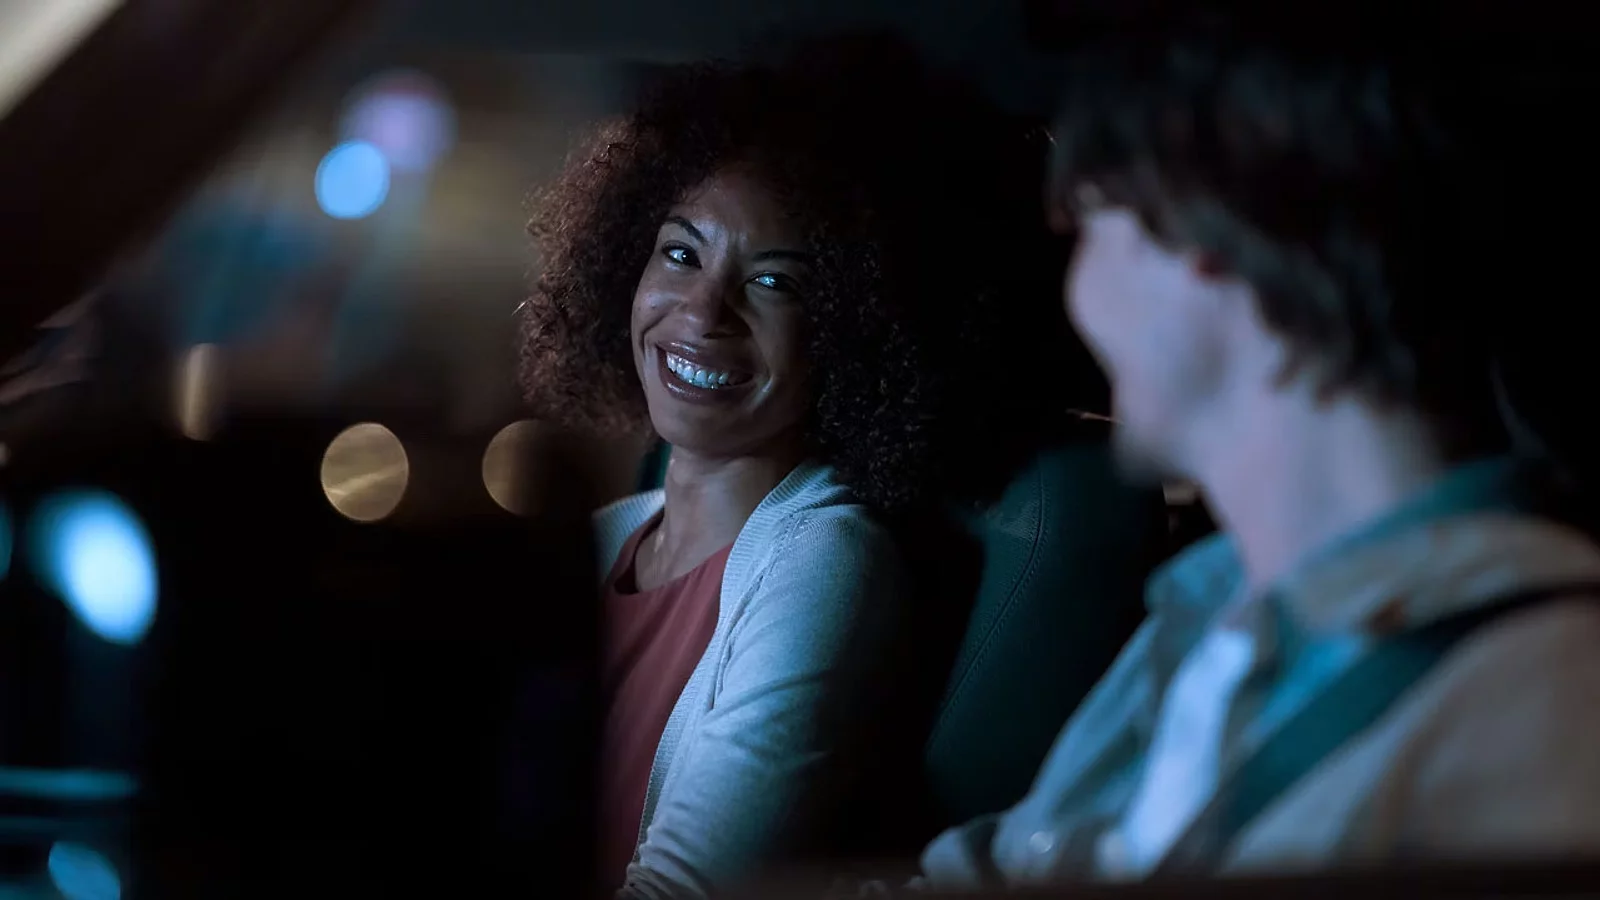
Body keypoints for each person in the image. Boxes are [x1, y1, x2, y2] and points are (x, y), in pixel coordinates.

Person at [915, 11, 1600, 889]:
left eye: (1089, 223)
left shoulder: (1537, 715)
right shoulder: (1213, 609)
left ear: (1200, 229)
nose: (1079, 290)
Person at [518, 36, 1074, 898]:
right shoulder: (597, 542)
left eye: (775, 283)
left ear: (860, 328)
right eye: (680, 252)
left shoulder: (823, 559)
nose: (702, 310)